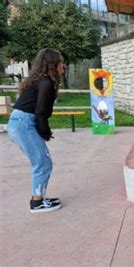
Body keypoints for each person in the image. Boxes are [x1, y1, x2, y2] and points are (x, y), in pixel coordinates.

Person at [7, 48, 65, 213]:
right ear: (53, 64)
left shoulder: (39, 80)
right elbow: (40, 112)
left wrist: (43, 131)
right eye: (61, 62)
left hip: (21, 122)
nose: (64, 65)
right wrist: (45, 132)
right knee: (42, 163)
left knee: (42, 162)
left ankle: (39, 198)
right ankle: (37, 202)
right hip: (24, 124)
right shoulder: (45, 83)